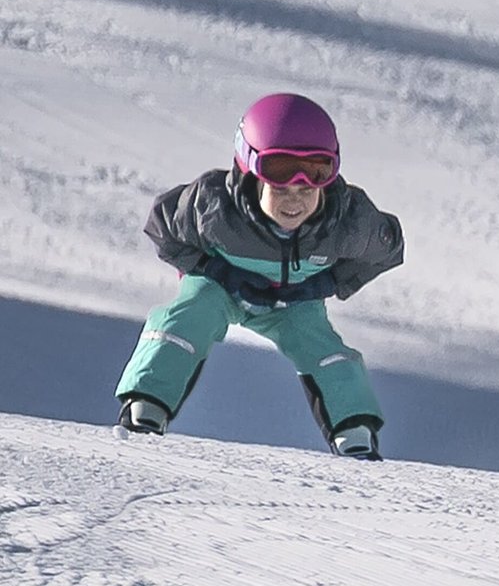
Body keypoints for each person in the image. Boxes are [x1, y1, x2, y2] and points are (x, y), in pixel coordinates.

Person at [116, 92, 405, 458]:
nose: (294, 200)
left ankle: (354, 435)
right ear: (249, 171)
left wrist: (329, 282)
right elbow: (162, 227)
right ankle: (146, 407)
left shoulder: (346, 222)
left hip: (294, 299)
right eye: (280, 184)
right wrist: (211, 269)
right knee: (188, 316)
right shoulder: (215, 208)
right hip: (222, 286)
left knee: (323, 347)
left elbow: (388, 249)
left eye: (309, 184)